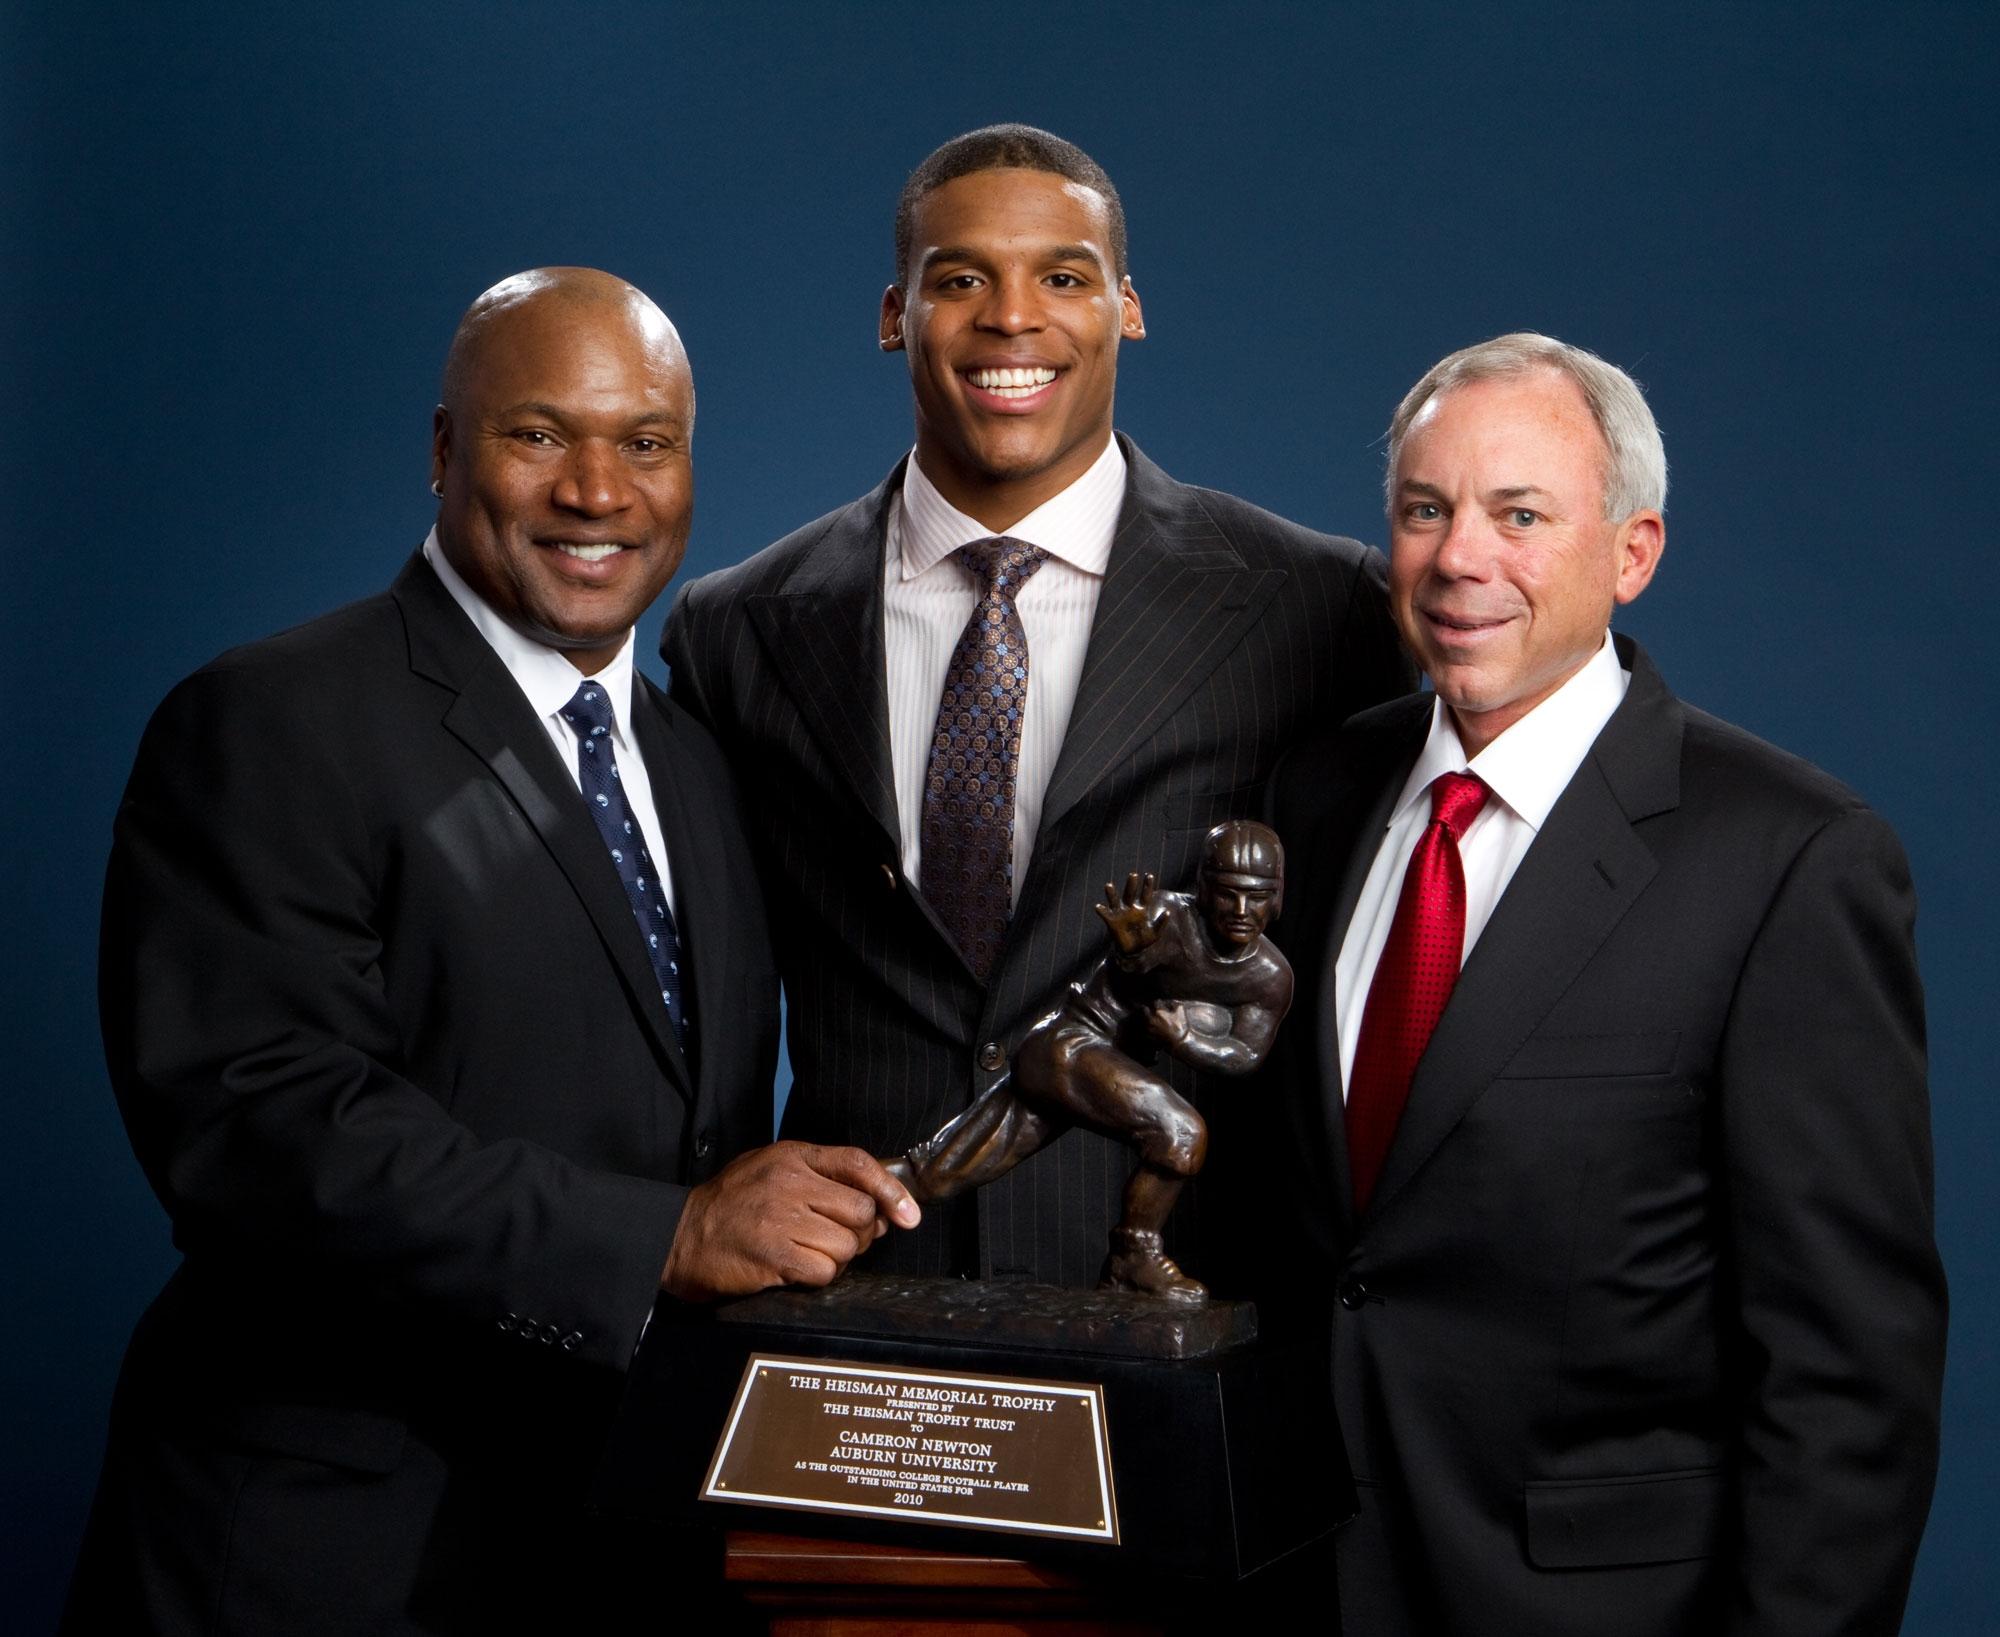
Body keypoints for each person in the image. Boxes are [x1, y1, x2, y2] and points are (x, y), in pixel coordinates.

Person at [66, 267, 917, 1634]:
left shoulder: (698, 767)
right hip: (327, 1555)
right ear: (446, 449)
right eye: (540, 435)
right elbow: (262, 1132)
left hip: (612, 1543)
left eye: (645, 441)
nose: (599, 490)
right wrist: (670, 1237)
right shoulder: (273, 719)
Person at [1251, 333, 1946, 1633]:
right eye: (1424, 510)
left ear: (1634, 553)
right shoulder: (1318, 794)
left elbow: (1848, 1375)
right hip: (1304, 1585)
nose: (1460, 558)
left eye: (1521, 515)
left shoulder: (1789, 859)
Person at [664, 125, 1411, 1287]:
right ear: (890, 314)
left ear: (1126, 306)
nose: (1013, 317)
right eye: (959, 278)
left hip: (1186, 1316)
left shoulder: (1321, 612)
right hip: (849, 1313)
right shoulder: (732, 629)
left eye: (1061, 277)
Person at [889, 821, 1292, 1302]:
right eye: (1228, 895)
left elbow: (1245, 1054)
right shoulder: (1163, 916)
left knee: (944, 1169)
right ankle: (1132, 1257)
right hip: (1069, 1046)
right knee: (1181, 1133)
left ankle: (849, 1199)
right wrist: (1134, 958)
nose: (1242, 911)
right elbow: (1129, 975)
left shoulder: (1269, 977)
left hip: (1096, 1069)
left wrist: (1184, 1040)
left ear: (1279, 895)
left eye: (1258, 896)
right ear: (1203, 889)